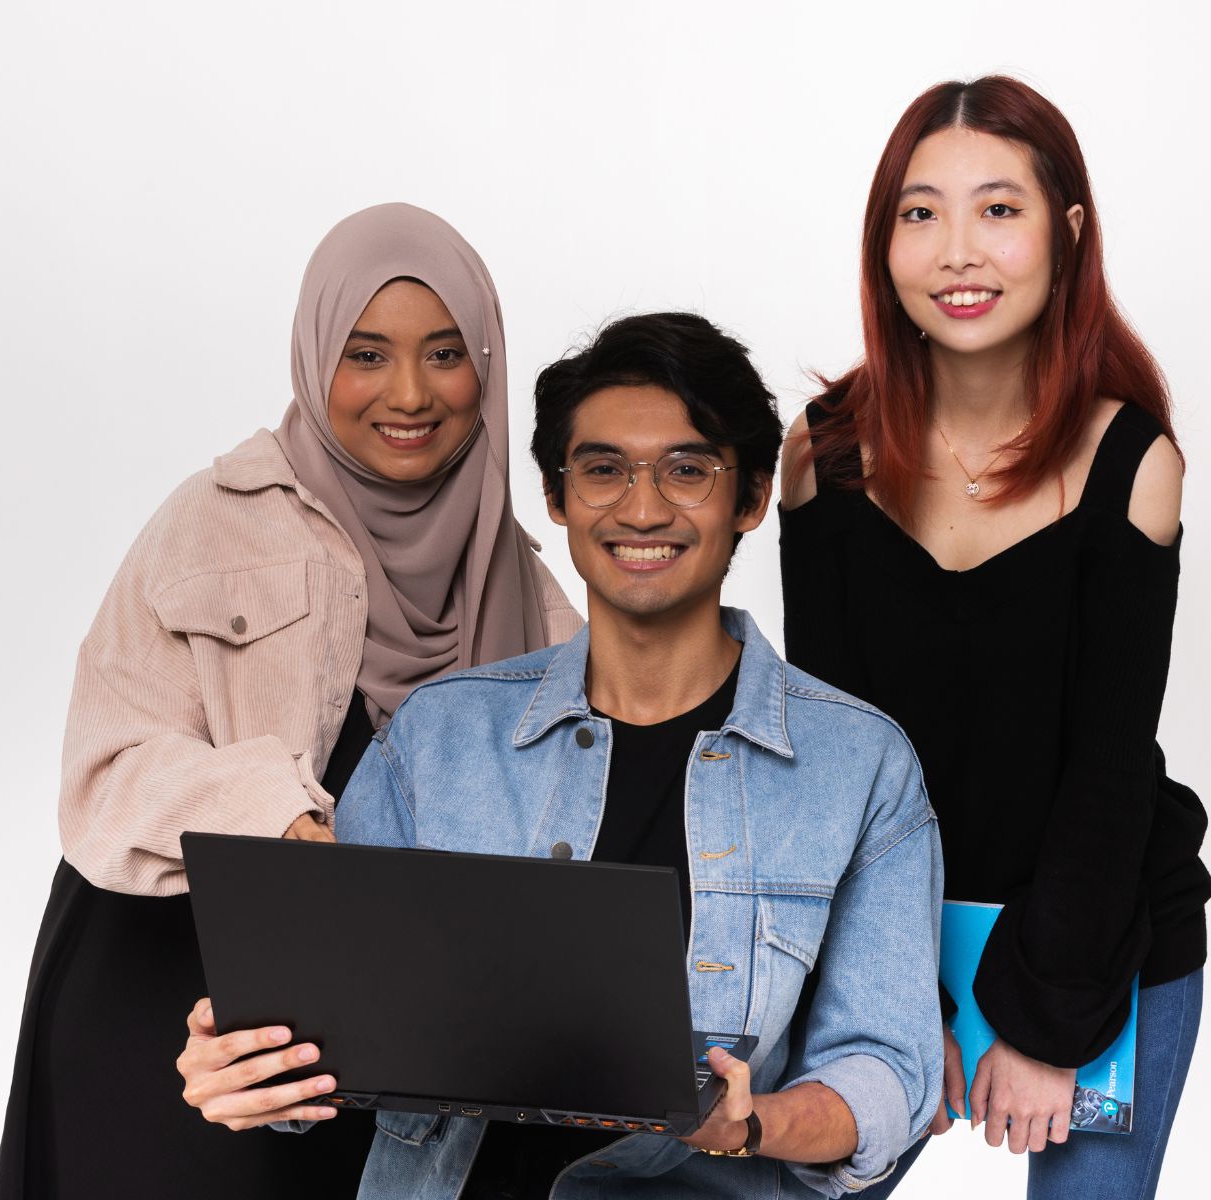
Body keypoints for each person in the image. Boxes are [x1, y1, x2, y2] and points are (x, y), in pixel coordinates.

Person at [175, 312, 947, 1198]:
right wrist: (246, 1066)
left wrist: (747, 1125)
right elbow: (329, 1028)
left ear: (752, 497)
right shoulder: (437, 738)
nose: (643, 508)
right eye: (604, 469)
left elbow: (887, 1072)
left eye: (688, 470)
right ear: (557, 496)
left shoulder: (861, 765)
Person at [0, 204, 581, 1199]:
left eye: (444, 354)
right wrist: (282, 824)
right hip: (164, 1005)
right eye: (366, 354)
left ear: (487, 361)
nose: (407, 393)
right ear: (315, 359)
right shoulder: (217, 521)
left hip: (373, 1055)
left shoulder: (531, 596)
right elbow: (104, 773)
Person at [779, 77, 1211, 1198]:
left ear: (1067, 234)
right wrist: (888, 1008)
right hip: (887, 935)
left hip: (1093, 931)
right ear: (884, 246)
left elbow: (1109, 770)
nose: (957, 252)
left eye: (999, 209)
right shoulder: (822, 454)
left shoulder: (1132, 463)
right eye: (920, 214)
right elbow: (833, 761)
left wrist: (1042, 1024)